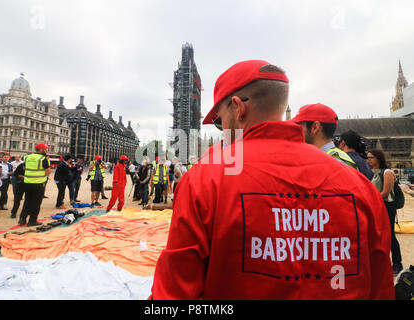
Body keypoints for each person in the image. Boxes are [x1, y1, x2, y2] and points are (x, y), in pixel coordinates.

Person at [149, 60, 394, 300]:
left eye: (218, 121)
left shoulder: (205, 180)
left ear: (238, 107)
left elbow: (173, 294)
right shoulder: (360, 187)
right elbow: (381, 288)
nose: (221, 129)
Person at [367, 149, 404, 275]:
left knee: (390, 235)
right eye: (368, 157)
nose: (368, 160)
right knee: (379, 236)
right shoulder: (373, 173)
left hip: (387, 206)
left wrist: (369, 197)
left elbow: (385, 193)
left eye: (371, 157)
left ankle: (398, 264)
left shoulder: (387, 172)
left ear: (378, 158)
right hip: (377, 205)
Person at [290, 104, 359, 170]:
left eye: (299, 125)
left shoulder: (334, 164)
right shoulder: (336, 158)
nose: (296, 129)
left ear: (315, 127)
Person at [18, 143, 51, 227]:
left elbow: (24, 168)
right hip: (38, 183)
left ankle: (22, 219)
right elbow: (48, 172)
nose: (46, 150)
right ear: (41, 150)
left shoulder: (27, 157)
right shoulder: (43, 158)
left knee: (27, 201)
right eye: (45, 149)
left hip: (27, 182)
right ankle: (32, 220)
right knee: (36, 202)